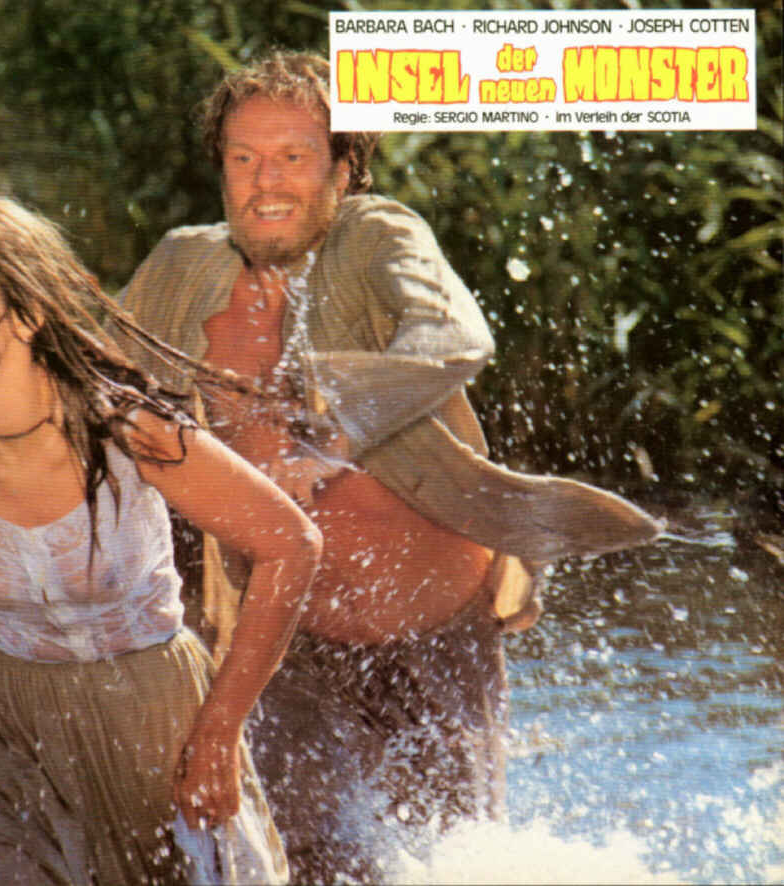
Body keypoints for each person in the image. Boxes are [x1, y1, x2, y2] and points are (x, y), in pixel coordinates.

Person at [114, 52, 663, 882]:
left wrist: (328, 444)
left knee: (455, 864)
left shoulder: (377, 235)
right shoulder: (180, 268)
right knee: (303, 866)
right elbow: (91, 392)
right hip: (283, 641)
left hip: (434, 631)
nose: (266, 181)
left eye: (294, 156)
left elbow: (451, 339)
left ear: (343, 171)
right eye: (243, 157)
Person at [0, 190, 322, 885]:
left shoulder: (130, 432)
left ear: (26, 312)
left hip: (147, 712)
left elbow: (291, 545)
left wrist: (218, 734)